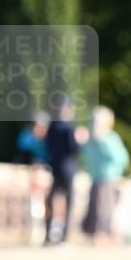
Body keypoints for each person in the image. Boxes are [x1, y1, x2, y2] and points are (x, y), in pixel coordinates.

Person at [81, 106, 129, 242]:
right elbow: (122, 159)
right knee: (99, 207)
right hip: (100, 177)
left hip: (107, 178)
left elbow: (121, 158)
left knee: (103, 207)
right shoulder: (101, 139)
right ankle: (98, 233)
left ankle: (102, 233)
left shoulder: (106, 139)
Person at [44, 99, 79, 245]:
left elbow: (47, 146)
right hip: (68, 170)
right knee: (69, 204)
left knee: (51, 200)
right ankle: (65, 237)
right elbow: (74, 149)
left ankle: (47, 234)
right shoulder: (70, 127)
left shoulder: (52, 126)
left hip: (55, 168)